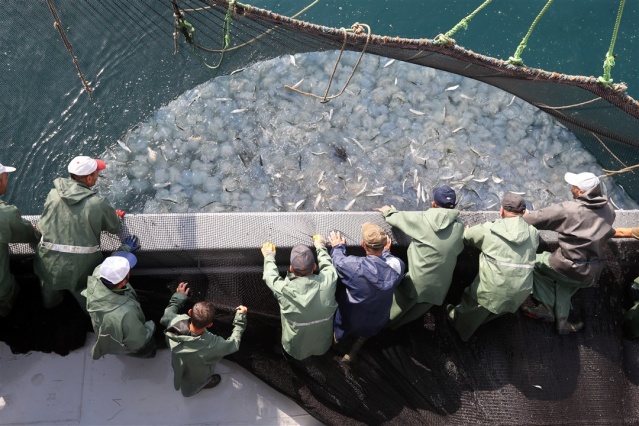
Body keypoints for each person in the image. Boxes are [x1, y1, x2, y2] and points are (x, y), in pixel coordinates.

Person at [522, 171, 616, 334]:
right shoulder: (609, 210)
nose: (571, 187)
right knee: (566, 282)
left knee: (533, 263)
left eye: (574, 186)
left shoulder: (569, 209)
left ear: (580, 192)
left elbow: (533, 220)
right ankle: (563, 323)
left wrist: (523, 214)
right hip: (592, 274)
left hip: (568, 269)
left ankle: (545, 306)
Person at [34, 156, 124, 310]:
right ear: (89, 178)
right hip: (80, 269)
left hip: (49, 264)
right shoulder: (97, 203)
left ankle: (50, 311)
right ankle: (89, 318)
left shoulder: (53, 195)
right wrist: (115, 216)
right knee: (85, 296)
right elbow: (115, 228)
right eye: (97, 173)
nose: (97, 176)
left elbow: (42, 225)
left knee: (49, 289)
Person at [446, 194, 539, 341]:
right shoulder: (533, 232)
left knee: (472, 308)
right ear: (523, 212)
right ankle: (484, 318)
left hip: (492, 291)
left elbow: (466, 236)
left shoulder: (490, 229)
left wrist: (467, 230)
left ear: (501, 211)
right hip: (521, 291)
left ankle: (460, 327)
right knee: (497, 308)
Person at [377, 185, 464, 329]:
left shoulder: (421, 220)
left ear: (434, 204)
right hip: (439, 288)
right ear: (454, 205)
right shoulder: (459, 227)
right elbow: (458, 249)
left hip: (415, 284)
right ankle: (400, 326)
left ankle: (383, 328)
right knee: (415, 312)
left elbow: (397, 219)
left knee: (394, 310)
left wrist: (389, 212)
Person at [329, 224, 405, 361]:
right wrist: (386, 254)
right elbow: (393, 272)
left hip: (349, 318)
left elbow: (338, 261)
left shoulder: (353, 266)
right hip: (378, 318)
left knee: (342, 329)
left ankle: (336, 340)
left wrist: (338, 247)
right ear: (385, 244)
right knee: (368, 330)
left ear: (363, 244)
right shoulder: (398, 265)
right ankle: (357, 345)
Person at [160, 282, 248, 397]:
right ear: (210, 324)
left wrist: (179, 296)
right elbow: (233, 344)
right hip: (197, 372)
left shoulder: (173, 321)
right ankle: (191, 391)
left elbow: (168, 313)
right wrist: (240, 319)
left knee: (183, 376)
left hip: (178, 362)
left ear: (190, 312)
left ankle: (187, 388)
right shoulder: (213, 344)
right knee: (194, 382)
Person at [261, 237, 338, 360]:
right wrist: (320, 246)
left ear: (291, 268)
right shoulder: (328, 282)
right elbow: (329, 268)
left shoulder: (282, 288)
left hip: (295, 348)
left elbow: (270, 276)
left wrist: (269, 256)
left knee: (291, 353)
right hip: (322, 345)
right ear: (314, 266)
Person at [82, 248, 156, 359]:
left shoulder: (98, 273)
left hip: (112, 326)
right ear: (122, 282)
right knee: (149, 350)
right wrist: (150, 326)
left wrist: (124, 249)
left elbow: (110, 263)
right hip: (132, 342)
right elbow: (138, 341)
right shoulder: (125, 314)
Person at [0, 162, 40, 316]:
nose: (7, 180)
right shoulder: (5, 214)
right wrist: (37, 232)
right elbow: (27, 234)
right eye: (6, 177)